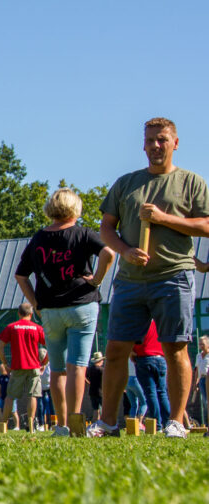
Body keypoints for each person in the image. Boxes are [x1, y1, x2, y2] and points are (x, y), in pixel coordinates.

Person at [89, 117, 209, 438]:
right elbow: (106, 228)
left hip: (174, 275)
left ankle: (176, 422)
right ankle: (108, 422)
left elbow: (206, 226)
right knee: (115, 350)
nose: (156, 145)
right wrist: (125, 251)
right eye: (151, 140)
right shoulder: (126, 183)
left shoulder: (191, 182)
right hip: (130, 280)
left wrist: (163, 218)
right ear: (143, 144)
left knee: (175, 349)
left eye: (163, 139)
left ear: (175, 143)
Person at [14, 187, 115, 437]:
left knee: (57, 369)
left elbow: (20, 275)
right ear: (75, 208)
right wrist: (97, 280)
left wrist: (36, 303)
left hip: (50, 310)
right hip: (82, 305)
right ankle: (77, 423)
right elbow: (109, 253)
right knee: (77, 367)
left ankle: (62, 426)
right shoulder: (83, 234)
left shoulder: (38, 238)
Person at [0, 303, 47, 432]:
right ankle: (31, 425)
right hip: (34, 366)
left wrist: (6, 363)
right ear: (31, 314)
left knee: (10, 396)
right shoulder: (37, 328)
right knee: (32, 396)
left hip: (18, 366)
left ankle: (3, 425)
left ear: (19, 314)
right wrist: (44, 363)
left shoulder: (11, 327)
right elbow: (51, 347)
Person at [132, 321, 171, 431]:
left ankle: (157, 425)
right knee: (162, 393)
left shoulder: (140, 322)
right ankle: (168, 423)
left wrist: (132, 352)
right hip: (161, 358)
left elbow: (131, 339)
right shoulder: (160, 322)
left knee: (150, 393)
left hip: (144, 358)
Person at [191, 336, 209, 428]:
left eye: (203, 344)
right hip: (202, 380)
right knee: (205, 403)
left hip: (208, 379)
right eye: (200, 344)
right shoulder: (198, 355)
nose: (201, 346)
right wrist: (195, 383)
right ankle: (207, 424)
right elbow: (197, 370)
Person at [124, 356, 148, 425]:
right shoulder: (138, 357)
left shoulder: (127, 356)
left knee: (133, 404)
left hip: (127, 380)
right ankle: (139, 423)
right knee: (144, 403)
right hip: (136, 379)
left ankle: (131, 424)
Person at [85, 353, 104, 419]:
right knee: (104, 409)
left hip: (92, 392)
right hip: (101, 392)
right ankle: (104, 423)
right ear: (100, 361)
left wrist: (89, 383)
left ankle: (95, 423)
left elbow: (85, 377)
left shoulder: (89, 369)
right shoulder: (101, 370)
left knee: (96, 410)